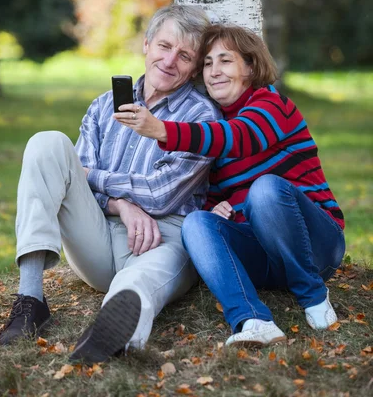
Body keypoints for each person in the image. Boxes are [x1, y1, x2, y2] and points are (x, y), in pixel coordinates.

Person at [0, 4, 220, 363]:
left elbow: (161, 194)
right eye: (164, 47)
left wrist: (96, 179)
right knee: (47, 143)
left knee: (139, 283)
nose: (170, 61)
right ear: (146, 45)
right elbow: (74, 174)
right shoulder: (104, 106)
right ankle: (30, 300)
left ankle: (115, 334)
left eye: (185, 56)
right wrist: (122, 205)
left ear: (195, 67)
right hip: (98, 232)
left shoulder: (201, 116)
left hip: (164, 237)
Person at [115, 24, 345, 348]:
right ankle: (253, 319)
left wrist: (162, 130)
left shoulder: (270, 105)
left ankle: (313, 296)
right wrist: (216, 209)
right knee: (196, 222)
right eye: (207, 63)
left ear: (250, 67)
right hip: (266, 258)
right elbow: (215, 194)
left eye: (225, 61)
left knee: (265, 190)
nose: (214, 72)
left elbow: (240, 138)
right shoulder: (215, 126)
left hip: (318, 246)